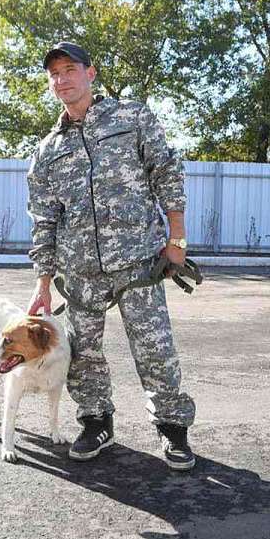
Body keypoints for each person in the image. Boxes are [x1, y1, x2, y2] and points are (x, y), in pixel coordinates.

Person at [25, 41, 197, 471]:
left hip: (139, 261)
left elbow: (167, 173)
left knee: (155, 349)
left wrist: (176, 240)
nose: (61, 79)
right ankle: (96, 421)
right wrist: (43, 283)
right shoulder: (47, 151)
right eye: (54, 74)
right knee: (83, 353)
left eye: (69, 70)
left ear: (90, 73)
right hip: (80, 270)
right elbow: (44, 221)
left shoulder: (131, 118)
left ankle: (173, 428)